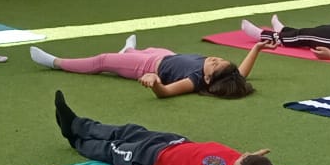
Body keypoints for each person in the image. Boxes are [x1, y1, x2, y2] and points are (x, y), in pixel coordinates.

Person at [53, 91, 281, 165]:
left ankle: (76, 139)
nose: (244, 155)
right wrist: (254, 160)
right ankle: (77, 124)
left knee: (112, 148)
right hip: (174, 143)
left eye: (244, 159)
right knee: (127, 131)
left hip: (146, 161)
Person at [29, 35, 263, 99]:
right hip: (165, 56)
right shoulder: (227, 76)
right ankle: (127, 51)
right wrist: (256, 48)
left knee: (103, 60)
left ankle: (55, 62)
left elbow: (167, 92)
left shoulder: (194, 79)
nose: (214, 59)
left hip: (145, 66)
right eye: (219, 59)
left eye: (216, 65)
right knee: (142, 50)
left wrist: (155, 82)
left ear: (209, 80)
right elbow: (239, 75)